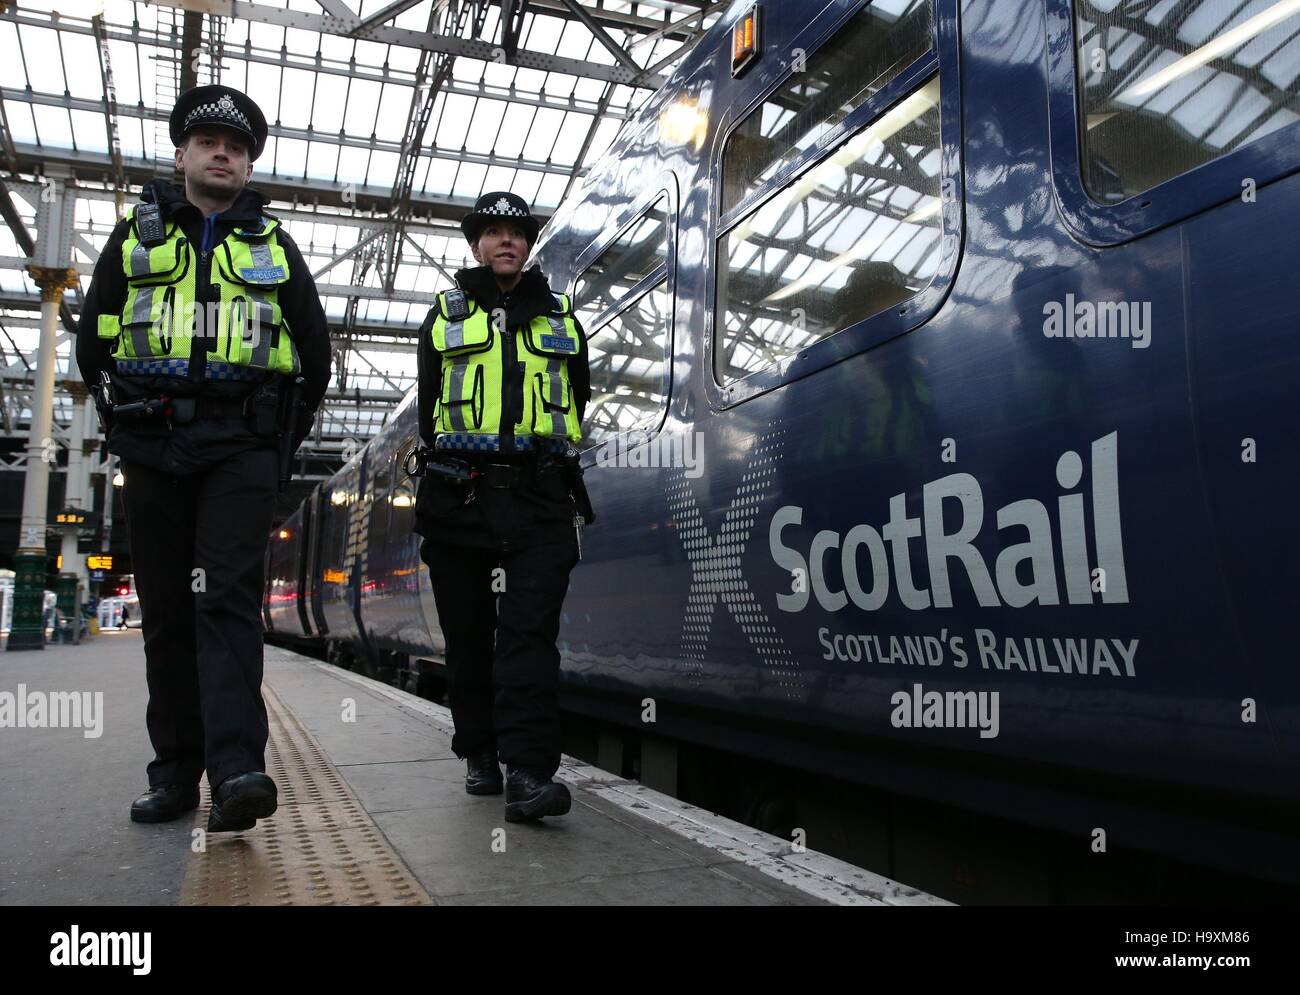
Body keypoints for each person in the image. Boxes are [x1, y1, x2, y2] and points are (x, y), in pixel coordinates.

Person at [75, 85, 331, 832]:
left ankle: (238, 770)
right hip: (152, 448)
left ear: (248, 167)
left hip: (239, 451)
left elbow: (314, 360)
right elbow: (94, 346)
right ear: (182, 154)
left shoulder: (276, 249)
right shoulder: (134, 239)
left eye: (239, 147)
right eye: (211, 142)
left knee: (224, 601)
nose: (225, 153)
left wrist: (272, 445)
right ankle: (174, 775)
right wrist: (123, 428)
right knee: (166, 614)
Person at [413, 191, 593, 822]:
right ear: (476, 246)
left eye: (516, 231)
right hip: (459, 494)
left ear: (527, 244)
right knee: (468, 638)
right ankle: (480, 754)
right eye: (492, 232)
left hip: (540, 495)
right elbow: (430, 400)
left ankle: (528, 773)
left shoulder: (563, 317)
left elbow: (578, 396)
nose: (506, 240)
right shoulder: (442, 316)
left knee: (529, 636)